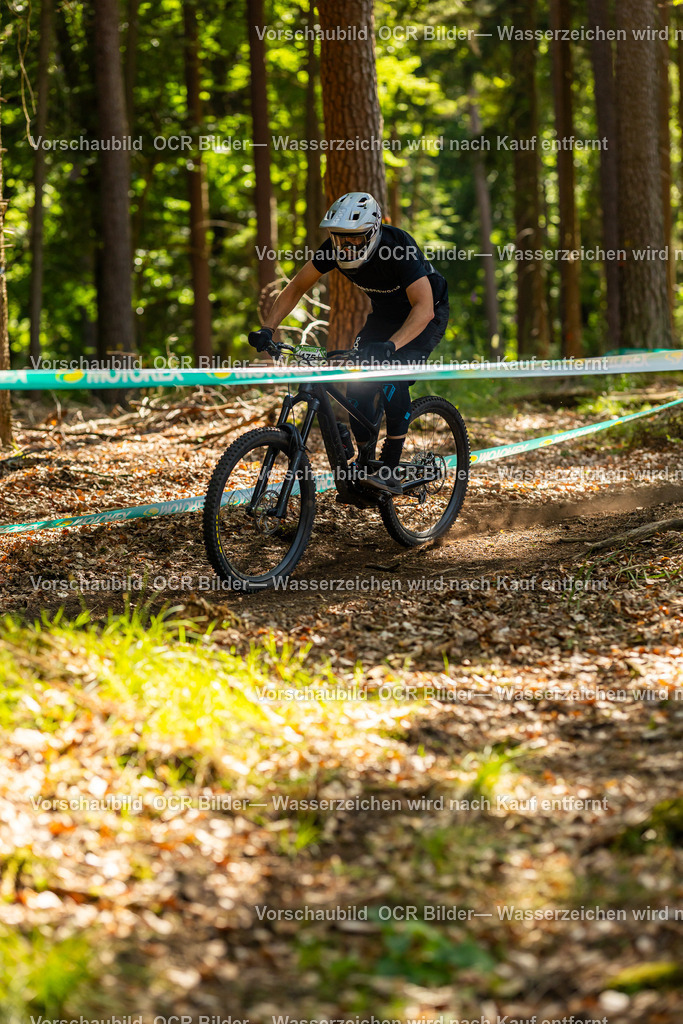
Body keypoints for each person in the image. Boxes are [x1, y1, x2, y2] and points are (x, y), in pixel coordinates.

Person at [248, 191, 449, 494]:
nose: (346, 245)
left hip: (425, 314)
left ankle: (391, 468)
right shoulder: (333, 250)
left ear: (372, 232)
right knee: (357, 383)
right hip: (383, 316)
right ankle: (366, 467)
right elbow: (295, 287)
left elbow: (424, 308)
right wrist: (268, 329)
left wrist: (392, 347)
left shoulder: (396, 248)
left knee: (391, 377)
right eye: (340, 237)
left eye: (354, 237)